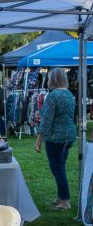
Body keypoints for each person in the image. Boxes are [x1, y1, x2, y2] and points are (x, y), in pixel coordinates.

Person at [35, 68, 76, 211]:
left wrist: (39, 139)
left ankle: (65, 200)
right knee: (61, 168)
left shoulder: (53, 96)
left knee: (58, 169)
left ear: (52, 79)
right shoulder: (69, 94)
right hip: (69, 136)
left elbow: (47, 120)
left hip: (56, 137)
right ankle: (61, 197)